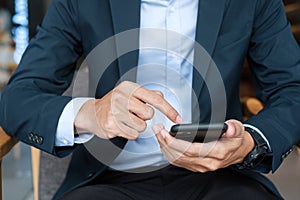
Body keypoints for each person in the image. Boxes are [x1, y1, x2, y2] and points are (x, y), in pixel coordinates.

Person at [1, 0, 300, 199]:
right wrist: (91, 113)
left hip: (220, 176)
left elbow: (292, 88)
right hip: (109, 180)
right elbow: (16, 99)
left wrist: (250, 142)